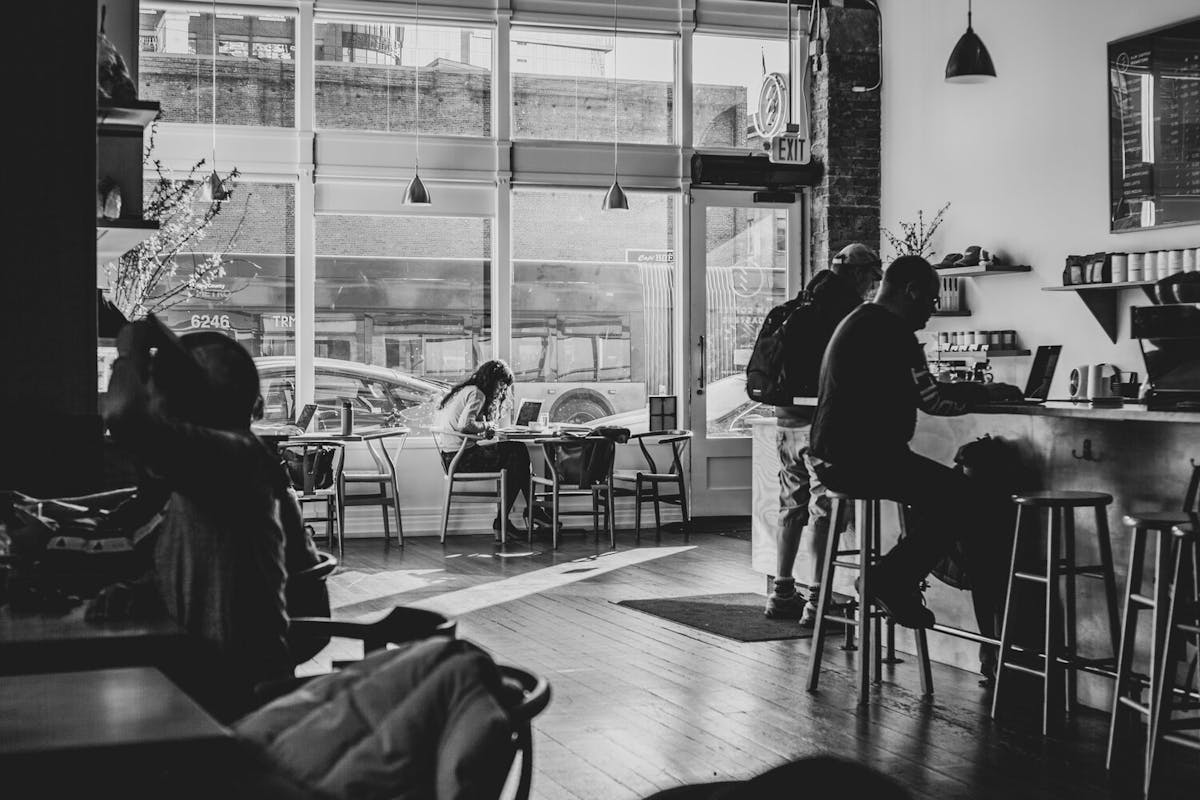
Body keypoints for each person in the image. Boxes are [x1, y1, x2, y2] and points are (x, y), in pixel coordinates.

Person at [100, 317, 318, 721]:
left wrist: (129, 353)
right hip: (207, 675)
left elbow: (127, 419)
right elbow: (201, 557)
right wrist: (148, 591)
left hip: (234, 692)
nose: (153, 394)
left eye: (162, 386)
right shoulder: (212, 468)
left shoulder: (232, 460)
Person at [808, 255, 1023, 628]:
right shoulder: (893, 331)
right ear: (911, 291)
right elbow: (934, 401)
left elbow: (918, 392)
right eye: (930, 300)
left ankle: (895, 579)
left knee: (949, 497)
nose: (931, 311)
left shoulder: (856, 320)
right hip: (863, 460)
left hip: (833, 459)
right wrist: (987, 392)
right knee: (966, 499)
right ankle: (890, 580)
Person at [767, 243, 883, 624]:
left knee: (791, 504)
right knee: (824, 507)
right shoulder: (850, 312)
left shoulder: (802, 301)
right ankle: (818, 599)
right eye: (871, 276)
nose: (873, 283)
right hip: (822, 423)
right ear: (857, 274)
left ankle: (781, 591)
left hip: (786, 420)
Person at [433, 359, 550, 537]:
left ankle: (511, 519)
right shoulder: (477, 393)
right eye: (502, 384)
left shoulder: (466, 390)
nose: (503, 390)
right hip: (463, 460)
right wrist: (487, 426)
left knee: (515, 460)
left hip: (450, 458)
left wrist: (483, 430)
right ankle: (527, 512)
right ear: (492, 379)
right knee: (517, 452)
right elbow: (465, 425)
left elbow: (463, 427)